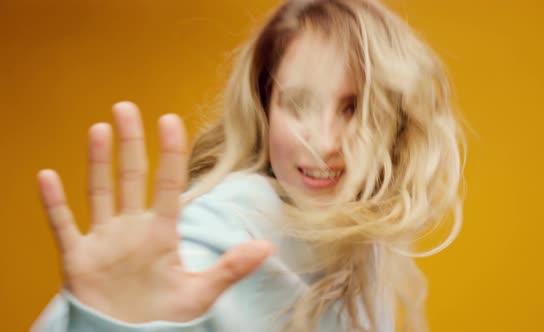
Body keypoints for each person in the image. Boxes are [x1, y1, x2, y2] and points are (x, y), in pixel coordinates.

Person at [33, 0, 465, 331]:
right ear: (264, 110)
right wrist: (105, 323)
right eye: (298, 103)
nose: (325, 144)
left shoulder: (365, 234)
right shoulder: (218, 229)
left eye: (354, 108)